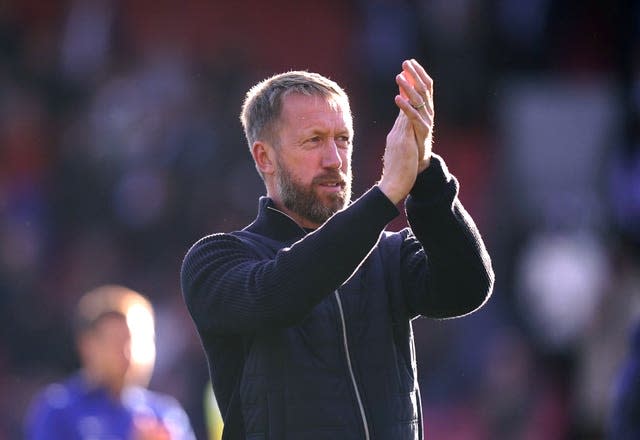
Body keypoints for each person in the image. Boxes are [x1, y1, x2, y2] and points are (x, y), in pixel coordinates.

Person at [180, 58, 494, 439]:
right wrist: (384, 197)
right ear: (265, 157)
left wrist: (425, 172)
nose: (334, 160)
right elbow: (279, 293)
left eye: (342, 139)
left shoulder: (387, 253)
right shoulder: (216, 260)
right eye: (314, 140)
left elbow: (467, 288)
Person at [25, 284, 196, 440]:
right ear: (87, 346)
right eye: (117, 341)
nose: (128, 352)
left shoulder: (165, 415)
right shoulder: (58, 410)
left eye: (138, 341)